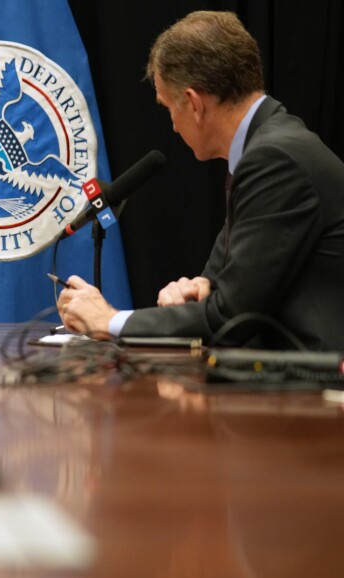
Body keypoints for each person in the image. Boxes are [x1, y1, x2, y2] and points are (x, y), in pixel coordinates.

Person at [57, 11, 344, 350]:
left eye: (167, 108)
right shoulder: (265, 145)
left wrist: (110, 320)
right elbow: (222, 290)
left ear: (193, 103)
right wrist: (195, 290)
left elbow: (230, 317)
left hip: (313, 388)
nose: (174, 126)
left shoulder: (275, 159)